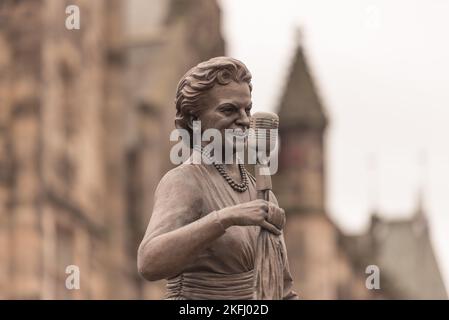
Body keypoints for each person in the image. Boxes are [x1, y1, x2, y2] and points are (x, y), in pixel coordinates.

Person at [137, 57, 298, 300]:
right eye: (229, 110)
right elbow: (149, 262)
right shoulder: (185, 181)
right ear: (194, 120)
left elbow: (282, 291)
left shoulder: (263, 193)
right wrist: (227, 218)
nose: (244, 120)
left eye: (248, 110)